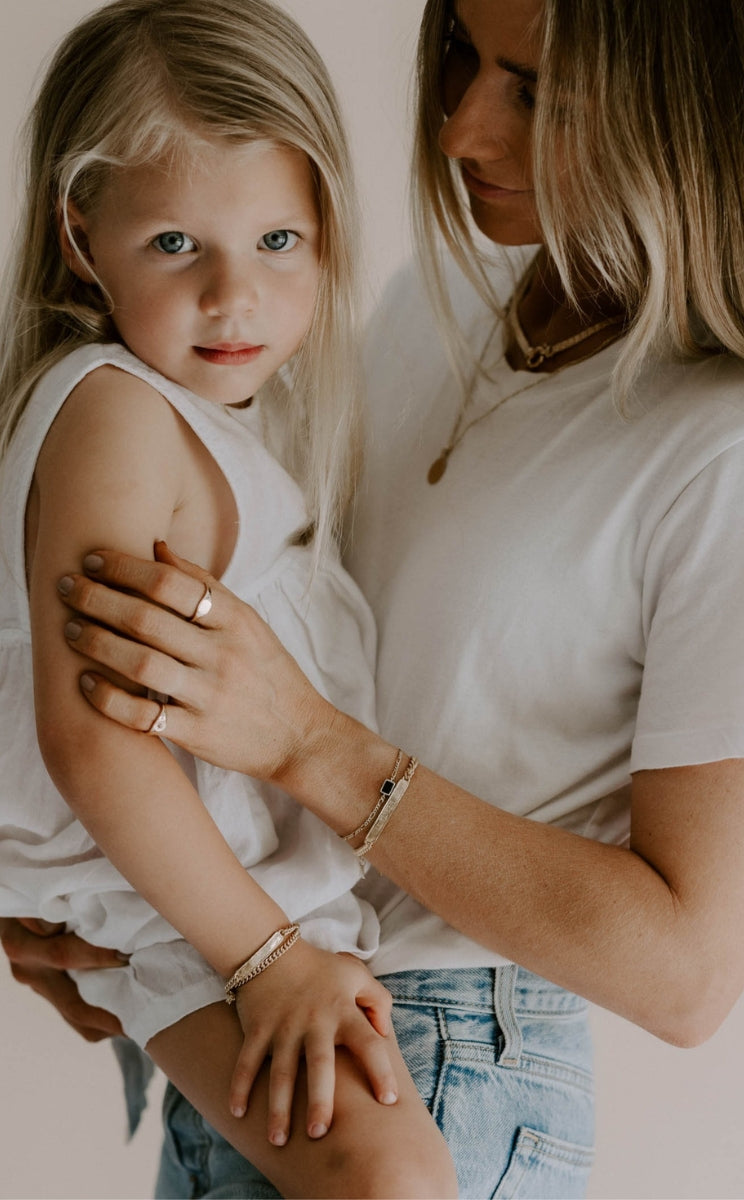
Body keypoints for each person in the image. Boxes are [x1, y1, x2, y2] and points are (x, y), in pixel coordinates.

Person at [5, 0, 744, 1196]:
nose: (457, 129)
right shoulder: (427, 313)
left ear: (682, 112)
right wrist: (115, 901)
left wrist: (310, 748)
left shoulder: (734, 449)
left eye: (537, 92)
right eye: (458, 56)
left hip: (430, 1059)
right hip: (257, 1015)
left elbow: (686, 976)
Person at [0, 1, 458, 1197]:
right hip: (193, 920)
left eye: (276, 241)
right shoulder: (114, 412)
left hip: (206, 913)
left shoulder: (224, 424)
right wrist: (269, 959)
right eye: (174, 244)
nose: (232, 296)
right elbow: (92, 739)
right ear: (78, 231)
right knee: (393, 1176)